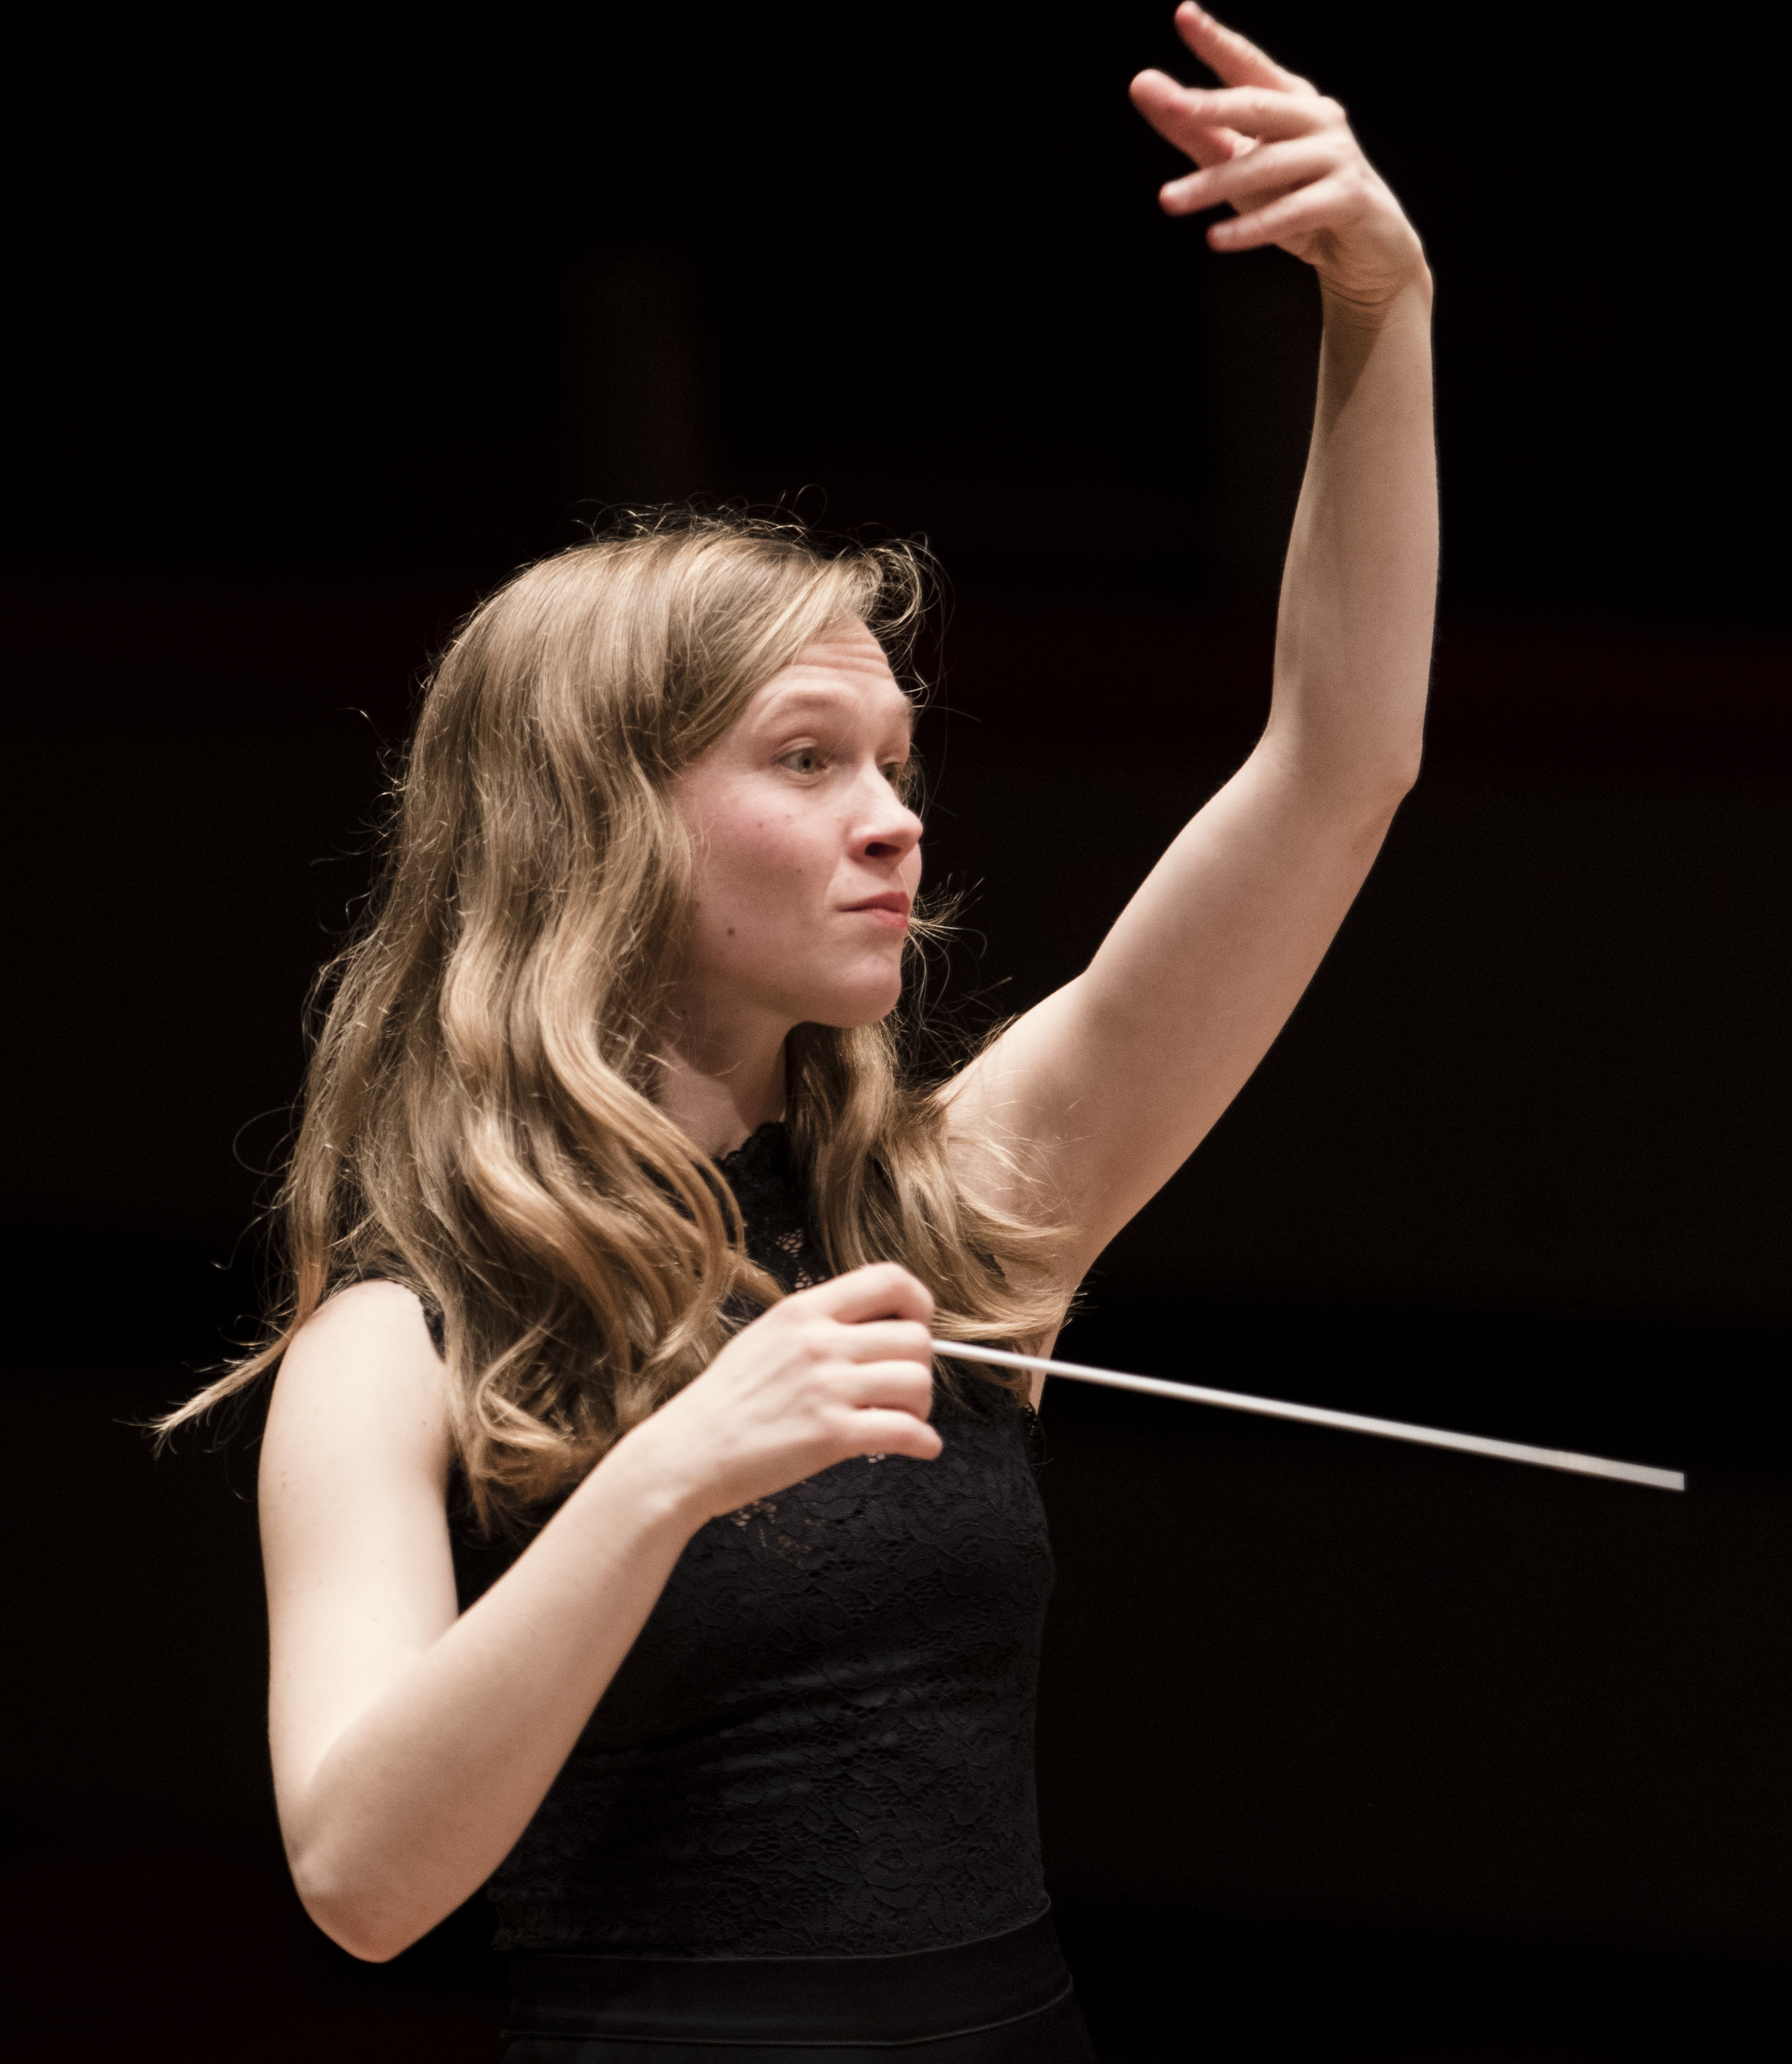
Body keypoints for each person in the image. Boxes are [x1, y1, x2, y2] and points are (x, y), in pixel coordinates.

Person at [160, 8, 1433, 2056]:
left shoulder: (963, 1207)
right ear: (603, 824)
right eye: (811, 757)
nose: (894, 816)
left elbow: (1341, 763)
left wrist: (1386, 306)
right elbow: (368, 1882)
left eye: (901, 759)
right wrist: (667, 1475)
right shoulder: (402, 1343)